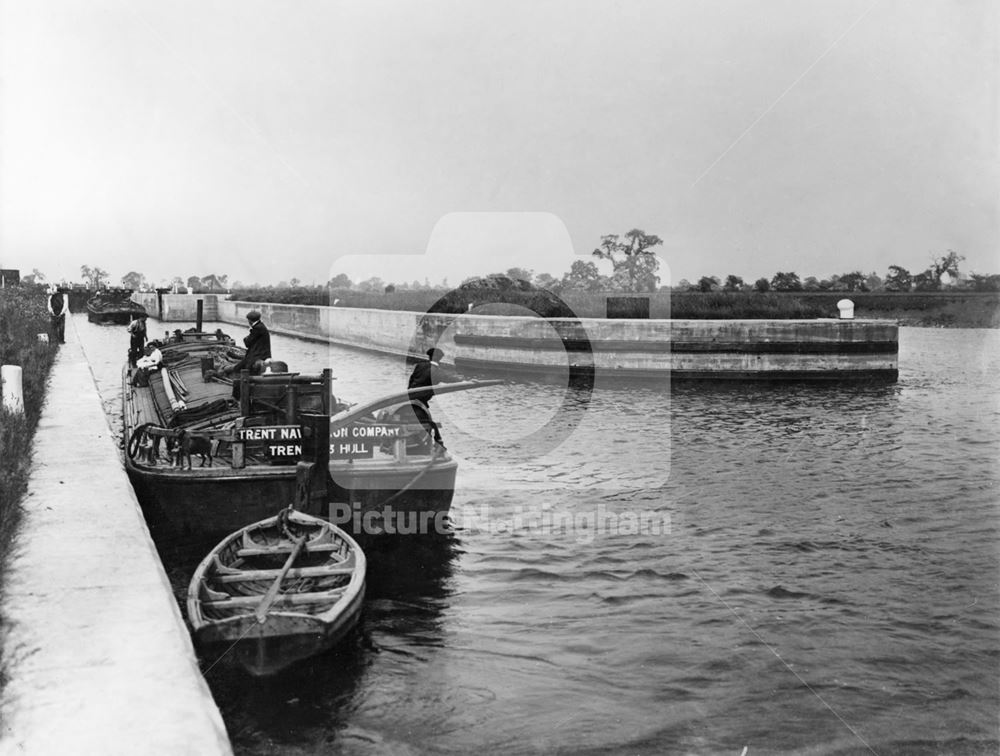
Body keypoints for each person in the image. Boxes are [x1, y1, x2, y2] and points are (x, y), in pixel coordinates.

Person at [407, 347, 446, 446]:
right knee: (428, 422)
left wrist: (410, 391)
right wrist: (464, 381)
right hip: (421, 400)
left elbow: (411, 379)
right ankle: (437, 442)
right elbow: (448, 378)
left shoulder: (419, 366)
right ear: (439, 359)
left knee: (428, 421)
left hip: (410, 397)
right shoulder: (436, 371)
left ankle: (436, 441)